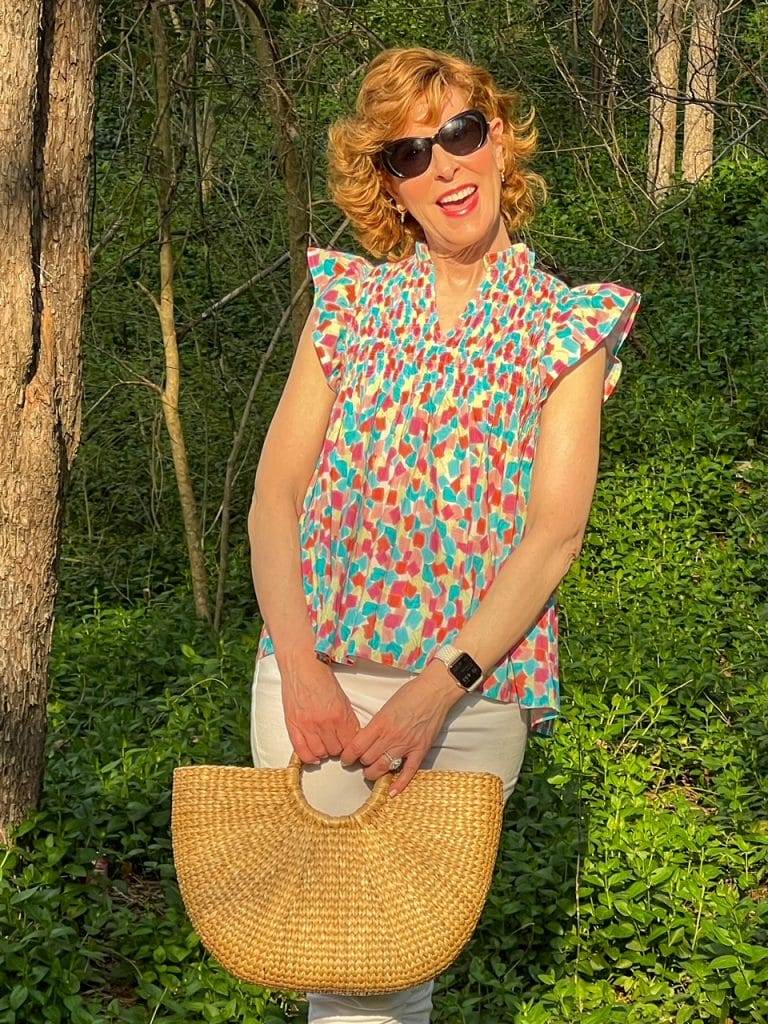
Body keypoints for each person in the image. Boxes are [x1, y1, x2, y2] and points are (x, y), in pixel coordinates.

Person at [247, 44, 641, 1024]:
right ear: (389, 185)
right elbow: (274, 499)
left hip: (469, 697)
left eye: (459, 132)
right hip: (315, 688)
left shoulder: (569, 326)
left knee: (390, 974)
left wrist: (435, 694)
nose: (444, 167)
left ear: (499, 139)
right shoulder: (348, 306)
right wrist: (299, 670)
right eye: (409, 154)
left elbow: (553, 534)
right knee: (343, 980)